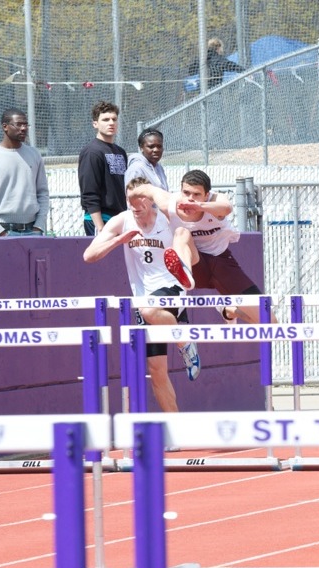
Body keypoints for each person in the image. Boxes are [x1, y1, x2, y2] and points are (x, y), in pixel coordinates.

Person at [83, 177, 202, 411]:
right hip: (144, 293)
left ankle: (185, 339)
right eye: (131, 203)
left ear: (150, 199)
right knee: (156, 369)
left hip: (172, 286)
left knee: (149, 310)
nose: (135, 209)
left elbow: (195, 256)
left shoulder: (168, 219)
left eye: (139, 203)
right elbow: (89, 255)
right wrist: (119, 240)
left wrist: (184, 257)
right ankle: (175, 429)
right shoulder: (123, 220)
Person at [133, 170, 269, 324]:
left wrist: (199, 206)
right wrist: (131, 198)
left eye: (196, 194)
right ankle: (184, 273)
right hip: (195, 265)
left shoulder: (215, 201)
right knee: (181, 232)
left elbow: (226, 208)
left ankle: (228, 311)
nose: (190, 199)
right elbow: (147, 190)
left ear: (207, 195)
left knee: (268, 321)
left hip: (221, 263)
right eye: (186, 193)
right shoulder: (170, 204)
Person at [0, 108, 49, 237]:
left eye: (25, 124)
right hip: (3, 231)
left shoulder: (34, 155)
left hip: (33, 230)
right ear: (5, 127)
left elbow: (43, 193)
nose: (23, 128)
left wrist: (39, 225)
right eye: (18, 124)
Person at [77, 101, 129, 235]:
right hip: (101, 219)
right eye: (105, 119)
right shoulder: (92, 152)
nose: (111, 123)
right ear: (95, 124)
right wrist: (100, 227)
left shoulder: (120, 151)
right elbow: (89, 192)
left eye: (114, 119)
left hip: (120, 218)